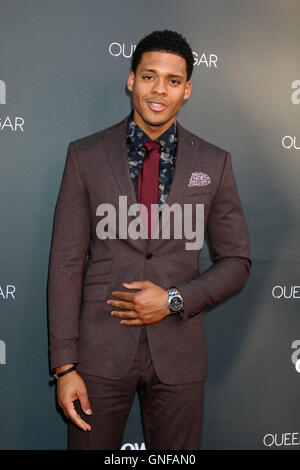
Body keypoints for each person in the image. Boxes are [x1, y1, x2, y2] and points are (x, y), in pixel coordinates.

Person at [47, 30, 251, 450]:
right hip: (98, 356)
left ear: (187, 89)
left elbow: (236, 261)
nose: (159, 90)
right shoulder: (85, 155)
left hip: (180, 354)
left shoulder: (214, 162)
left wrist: (174, 299)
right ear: (131, 80)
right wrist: (65, 367)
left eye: (173, 80)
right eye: (149, 76)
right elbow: (66, 263)